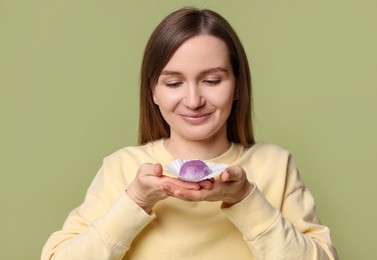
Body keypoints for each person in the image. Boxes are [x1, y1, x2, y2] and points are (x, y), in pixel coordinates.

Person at [41, 7, 338, 260]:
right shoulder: (121, 168)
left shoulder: (275, 164)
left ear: (237, 86)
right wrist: (136, 200)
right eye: (173, 84)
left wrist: (245, 198)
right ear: (153, 92)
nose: (194, 100)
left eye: (211, 80)